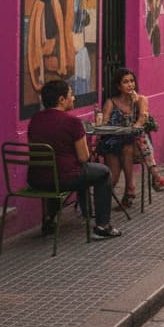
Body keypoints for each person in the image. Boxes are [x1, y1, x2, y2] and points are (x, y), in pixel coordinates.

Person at [27, 79, 121, 239]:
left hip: (37, 178)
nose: (74, 98)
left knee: (58, 172)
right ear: (61, 99)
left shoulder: (35, 120)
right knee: (103, 172)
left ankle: (49, 219)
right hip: (65, 178)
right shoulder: (72, 122)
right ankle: (102, 226)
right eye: (71, 95)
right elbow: (84, 157)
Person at [101, 68, 164, 203]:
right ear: (118, 86)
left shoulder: (141, 100)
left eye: (132, 81)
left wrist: (134, 106)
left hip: (135, 144)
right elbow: (104, 123)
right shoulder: (111, 102)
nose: (130, 85)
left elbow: (142, 119)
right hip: (114, 142)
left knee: (133, 140)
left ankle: (131, 188)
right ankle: (153, 176)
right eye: (125, 82)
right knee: (113, 178)